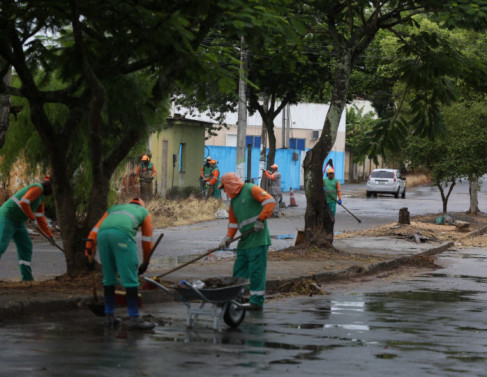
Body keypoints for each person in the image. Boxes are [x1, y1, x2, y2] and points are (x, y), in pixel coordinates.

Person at [85, 197, 156, 330]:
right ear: (141, 205)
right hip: (122, 237)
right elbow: (147, 240)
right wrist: (146, 261)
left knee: (109, 278)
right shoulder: (144, 212)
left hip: (102, 237)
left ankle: (109, 317)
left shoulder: (114, 209)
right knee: (130, 279)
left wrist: (88, 254)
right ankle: (134, 318)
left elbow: (94, 232)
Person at [218, 172, 275, 311]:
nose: (224, 191)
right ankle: (236, 297)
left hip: (258, 238)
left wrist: (261, 219)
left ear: (231, 185)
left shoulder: (251, 189)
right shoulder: (234, 202)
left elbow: (270, 201)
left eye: (224, 187)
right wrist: (228, 238)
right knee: (239, 270)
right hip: (245, 240)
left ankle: (256, 301)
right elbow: (233, 223)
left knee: (257, 271)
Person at [0, 175, 55, 281]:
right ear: (48, 185)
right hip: (7, 217)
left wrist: (50, 236)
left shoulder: (41, 198)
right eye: (53, 188)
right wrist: (31, 218)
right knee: (1, 245)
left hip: (19, 222)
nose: (53, 192)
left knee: (26, 246)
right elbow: (24, 202)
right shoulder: (38, 188)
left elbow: (41, 219)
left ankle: (27, 279)